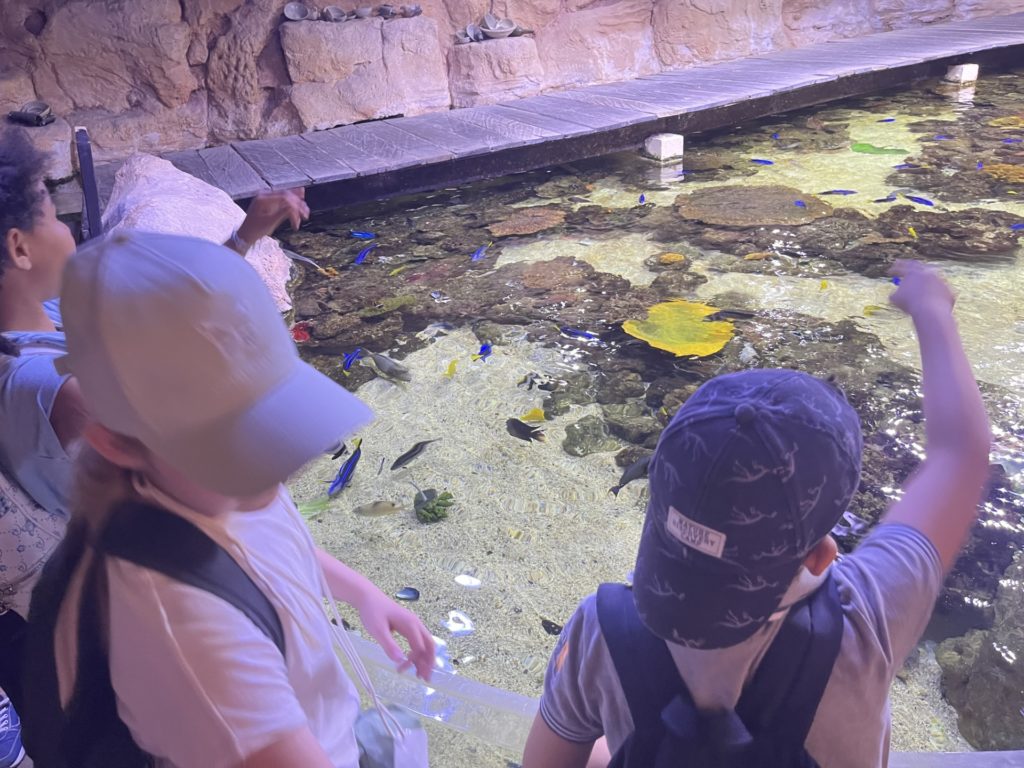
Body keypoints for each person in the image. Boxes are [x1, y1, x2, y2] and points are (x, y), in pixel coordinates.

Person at [523, 261, 992, 768]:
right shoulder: (866, 620)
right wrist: (931, 309)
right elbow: (960, 455)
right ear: (822, 557)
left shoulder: (601, 630)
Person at [25, 231, 434, 768]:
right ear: (118, 444)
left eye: (274, 414)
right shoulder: (186, 630)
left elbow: (273, 542)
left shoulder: (210, 486)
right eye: (238, 439)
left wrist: (362, 593)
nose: (278, 455)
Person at [0, 124, 309, 766]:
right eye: (52, 212)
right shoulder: (57, 391)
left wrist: (247, 235)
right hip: (108, 620)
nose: (68, 228)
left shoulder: (43, 323)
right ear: (19, 247)